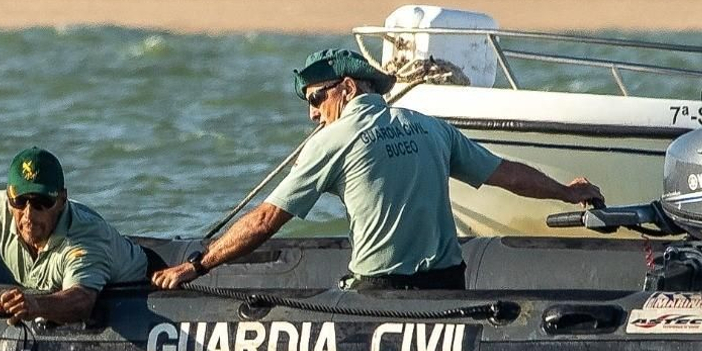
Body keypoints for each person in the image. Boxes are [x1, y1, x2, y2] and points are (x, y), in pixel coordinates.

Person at [153, 49, 605, 292]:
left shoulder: (332, 141)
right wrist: (566, 192)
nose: (312, 115)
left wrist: (198, 264)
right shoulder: (429, 126)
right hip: (448, 284)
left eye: (315, 99)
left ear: (346, 88)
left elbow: (266, 220)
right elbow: (505, 174)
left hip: (383, 292)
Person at [0, 147, 153, 326]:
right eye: (20, 201)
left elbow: (81, 301)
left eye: (41, 202)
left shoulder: (85, 237)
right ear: (9, 197)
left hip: (137, 288)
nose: (28, 215)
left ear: (62, 200)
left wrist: (35, 305)